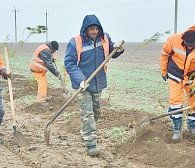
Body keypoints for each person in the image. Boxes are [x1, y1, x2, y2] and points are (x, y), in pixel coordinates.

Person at [64, 14, 124, 156]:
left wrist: (118, 48)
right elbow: (69, 63)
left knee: (96, 113)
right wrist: (80, 80)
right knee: (88, 114)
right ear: (85, 29)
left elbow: (110, 53)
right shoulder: (75, 42)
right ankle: (91, 143)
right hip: (83, 84)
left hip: (98, 82)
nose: (95, 32)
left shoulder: (105, 38)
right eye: (91, 29)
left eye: (96, 29)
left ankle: (86, 132)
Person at [160, 24, 195, 142]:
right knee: (175, 101)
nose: (189, 46)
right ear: (183, 38)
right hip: (175, 74)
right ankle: (177, 129)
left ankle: (192, 127)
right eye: (187, 44)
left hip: (192, 77)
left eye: (191, 45)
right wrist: (164, 70)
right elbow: (164, 54)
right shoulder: (174, 40)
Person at [29, 41, 62, 105]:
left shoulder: (45, 47)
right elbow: (49, 65)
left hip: (38, 69)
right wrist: (57, 74)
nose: (54, 52)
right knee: (43, 84)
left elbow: (44, 57)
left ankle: (43, 97)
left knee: (44, 83)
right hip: (37, 69)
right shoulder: (46, 50)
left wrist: (51, 59)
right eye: (54, 50)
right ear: (52, 48)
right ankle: (41, 100)